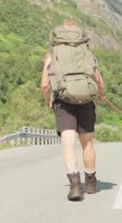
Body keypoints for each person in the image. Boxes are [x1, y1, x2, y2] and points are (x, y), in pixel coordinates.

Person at [40, 21, 106, 201]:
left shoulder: (53, 53)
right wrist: (100, 95)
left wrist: (48, 100)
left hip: (63, 100)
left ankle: (76, 187)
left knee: (68, 142)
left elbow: (45, 84)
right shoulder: (86, 51)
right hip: (86, 99)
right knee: (87, 143)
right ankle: (91, 183)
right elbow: (98, 78)